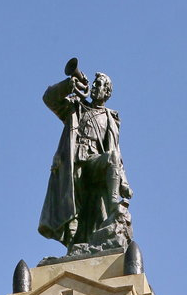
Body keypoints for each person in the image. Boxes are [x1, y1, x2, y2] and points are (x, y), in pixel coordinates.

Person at [39, 68, 133, 252]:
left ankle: (114, 202)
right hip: (73, 166)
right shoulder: (76, 107)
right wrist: (69, 85)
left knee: (112, 157)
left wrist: (123, 182)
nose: (95, 87)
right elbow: (49, 99)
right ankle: (74, 247)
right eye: (95, 84)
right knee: (75, 214)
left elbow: (115, 151)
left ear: (107, 92)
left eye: (100, 85)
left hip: (93, 162)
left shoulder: (109, 117)